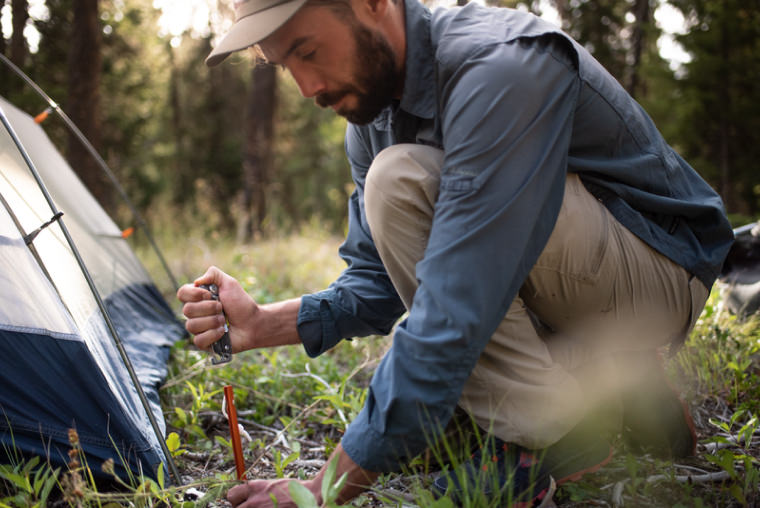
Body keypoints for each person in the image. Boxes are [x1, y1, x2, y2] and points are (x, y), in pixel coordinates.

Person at [177, 0, 735, 505]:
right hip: (573, 278)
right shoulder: (373, 115)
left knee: (398, 180)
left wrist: (321, 490)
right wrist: (262, 324)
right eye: (284, 65)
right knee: (434, 424)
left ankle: (546, 434)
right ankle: (608, 377)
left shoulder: (499, 67)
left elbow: (457, 302)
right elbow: (379, 280)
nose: (304, 86)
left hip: (659, 273)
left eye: (308, 51)